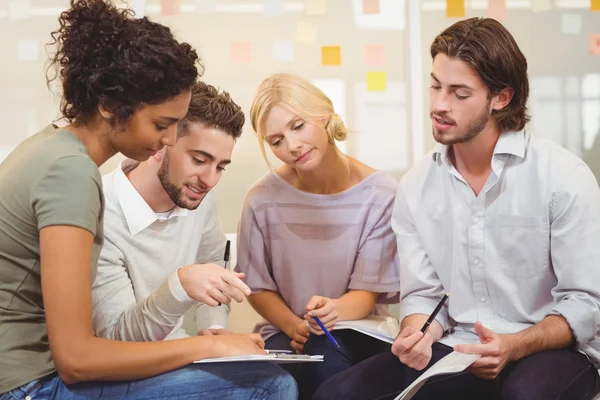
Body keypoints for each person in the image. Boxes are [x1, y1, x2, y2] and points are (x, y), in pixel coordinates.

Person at [0, 1, 296, 399]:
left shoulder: (54, 151)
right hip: (30, 385)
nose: (170, 140)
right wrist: (209, 345)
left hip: (36, 375)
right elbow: (77, 359)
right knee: (269, 387)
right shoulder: (71, 174)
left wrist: (216, 335)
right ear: (109, 106)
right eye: (162, 124)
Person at [312, 17, 600, 400]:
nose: (439, 105)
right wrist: (417, 333)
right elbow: (423, 295)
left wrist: (513, 345)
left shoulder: (563, 177)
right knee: (336, 395)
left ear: (501, 98)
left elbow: (585, 303)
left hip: (550, 349)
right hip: (459, 346)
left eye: (459, 94)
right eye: (435, 86)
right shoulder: (416, 186)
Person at [236, 73, 400, 400]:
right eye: (276, 140)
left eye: (298, 126)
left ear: (324, 115)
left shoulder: (381, 194)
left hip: (361, 328)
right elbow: (257, 286)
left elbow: (366, 295)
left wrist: (333, 309)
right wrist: (292, 325)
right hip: (288, 332)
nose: (292, 146)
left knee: (329, 362)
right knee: (298, 369)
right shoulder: (261, 199)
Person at [92, 82, 246, 341]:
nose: (209, 180)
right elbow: (116, 339)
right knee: (274, 384)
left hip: (178, 354)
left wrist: (215, 331)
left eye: (221, 167)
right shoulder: (101, 213)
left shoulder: (198, 199)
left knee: (270, 373)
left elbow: (215, 275)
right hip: (123, 368)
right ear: (160, 145)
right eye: (199, 160)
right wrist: (180, 285)